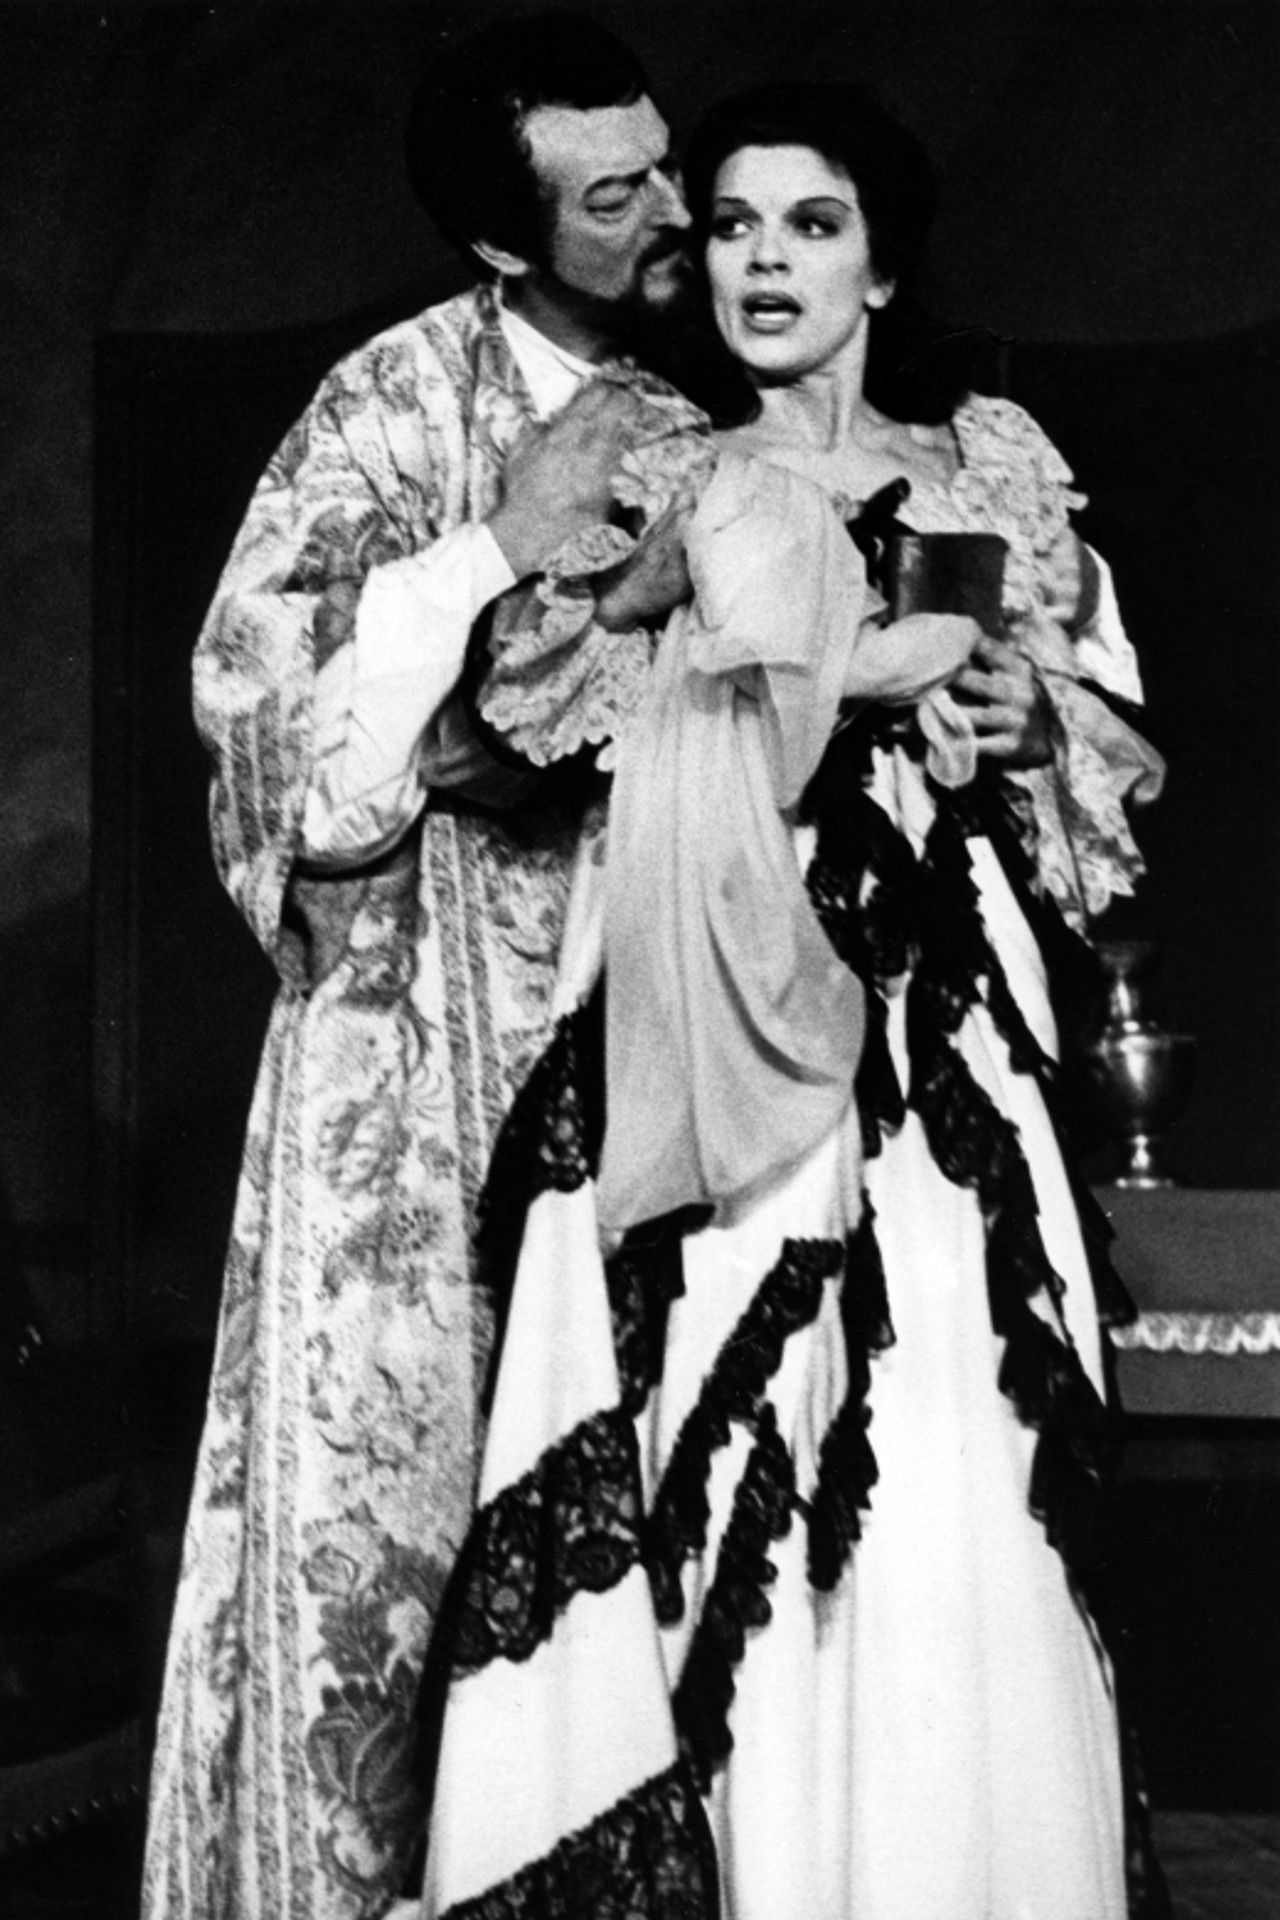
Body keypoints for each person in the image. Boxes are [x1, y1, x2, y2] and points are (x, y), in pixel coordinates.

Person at [418, 84, 1169, 1920]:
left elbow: (1104, 774)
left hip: (946, 1014)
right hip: (728, 982)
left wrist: (1032, 717)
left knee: (950, 1426)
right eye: (736, 224)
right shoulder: (656, 465)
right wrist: (652, 598)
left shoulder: (990, 469)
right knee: (736, 1406)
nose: (764, 260)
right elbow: (503, 719)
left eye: (813, 224)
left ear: (882, 267)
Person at [140, 16, 709, 1918]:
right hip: (407, 1058)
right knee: (395, 1538)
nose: (672, 212)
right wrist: (495, 552)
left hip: (647, 1018)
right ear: (498, 240)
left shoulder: (709, 396)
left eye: (664, 164)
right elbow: (286, 742)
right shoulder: (387, 407)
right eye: (613, 194)